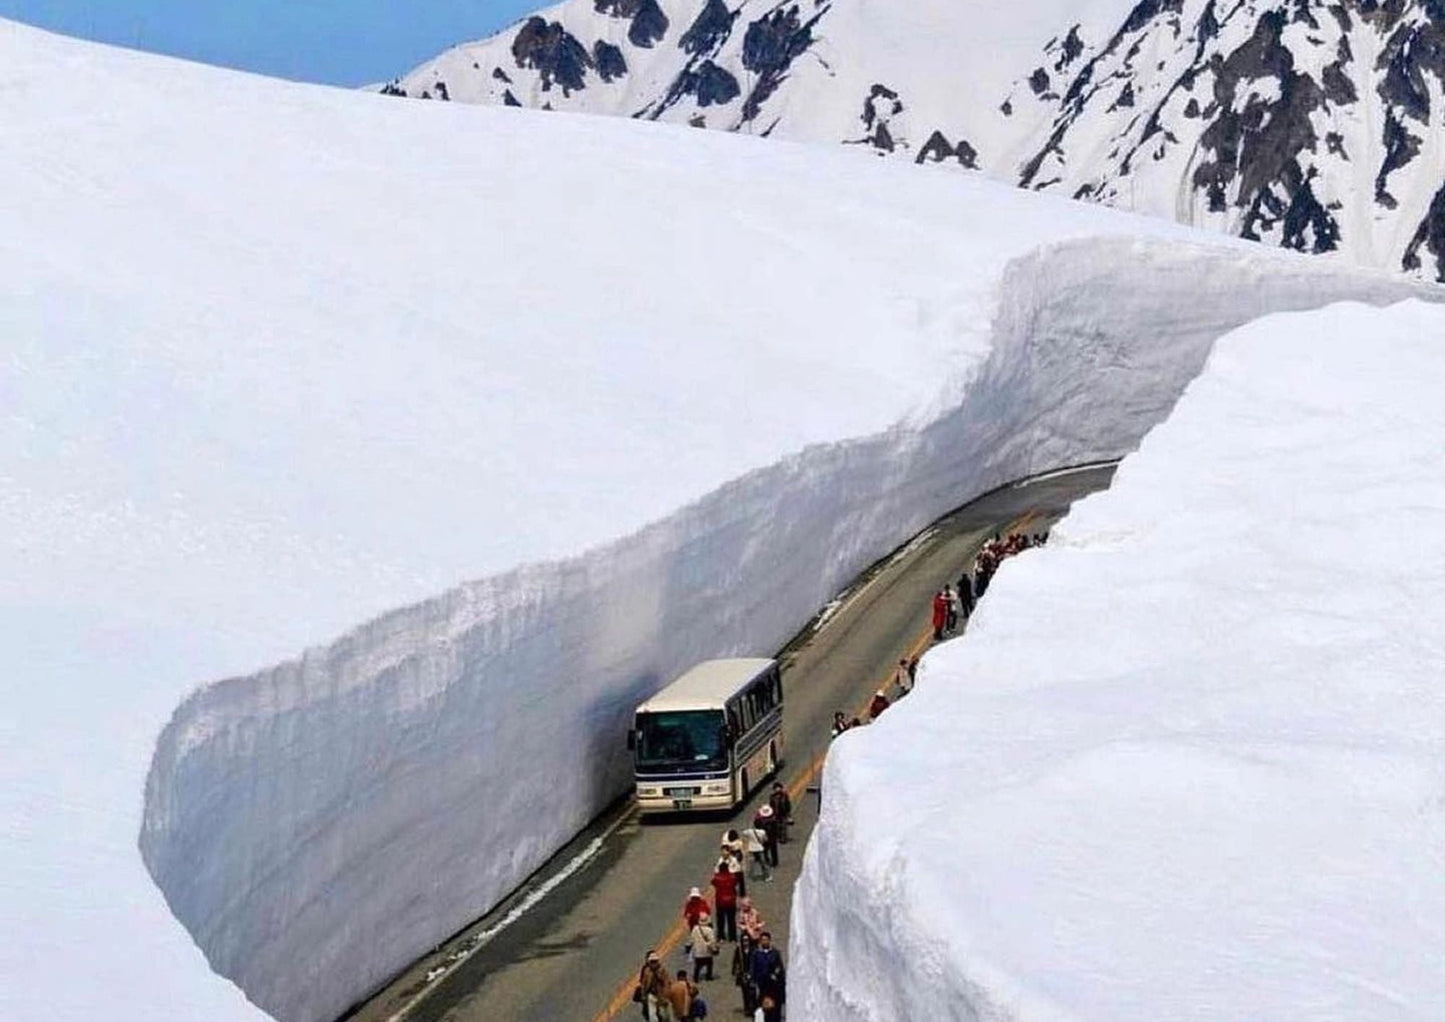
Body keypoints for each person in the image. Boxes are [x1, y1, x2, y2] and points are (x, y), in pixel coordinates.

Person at [749, 931, 786, 1022]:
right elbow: (753, 968)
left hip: (774, 986)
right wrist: (753, 980)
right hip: (762, 985)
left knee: (775, 1008)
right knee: (763, 1007)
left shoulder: (775, 953)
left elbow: (780, 967)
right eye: (763, 940)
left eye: (766, 940)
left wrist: (776, 974)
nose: (765, 942)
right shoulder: (756, 954)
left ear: (769, 941)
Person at [637, 950, 672, 1022]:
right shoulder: (647, 971)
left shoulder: (662, 971)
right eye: (652, 962)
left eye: (654, 961)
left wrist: (666, 996)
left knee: (666, 1014)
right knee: (652, 1016)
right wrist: (643, 995)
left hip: (661, 995)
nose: (653, 964)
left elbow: (666, 983)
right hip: (651, 995)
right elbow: (644, 983)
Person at [709, 859, 739, 942]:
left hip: (720, 902)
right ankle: (732, 936)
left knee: (720, 920)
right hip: (731, 901)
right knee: (731, 920)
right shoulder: (732, 877)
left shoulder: (717, 878)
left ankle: (721, 936)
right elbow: (736, 882)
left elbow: (712, 882)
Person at [732, 932, 758, 1016]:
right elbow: (735, 961)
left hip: (752, 973)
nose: (745, 942)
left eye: (747, 940)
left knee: (752, 992)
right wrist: (735, 971)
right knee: (745, 992)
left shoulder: (754, 949)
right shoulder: (739, 950)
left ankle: (753, 1008)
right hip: (743, 973)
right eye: (743, 940)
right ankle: (747, 1008)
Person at [690, 911, 718, 982]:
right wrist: (713, 948)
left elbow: (692, 939)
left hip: (698, 952)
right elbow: (712, 941)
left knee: (698, 966)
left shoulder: (695, 928)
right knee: (709, 964)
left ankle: (696, 978)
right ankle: (708, 976)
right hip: (706, 952)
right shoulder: (709, 930)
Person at [721, 830, 746, 898]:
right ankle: (742, 893)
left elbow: (724, 851)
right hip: (739, 865)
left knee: (732, 880)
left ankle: (733, 891)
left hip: (731, 865)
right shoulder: (739, 843)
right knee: (741, 880)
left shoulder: (728, 846)